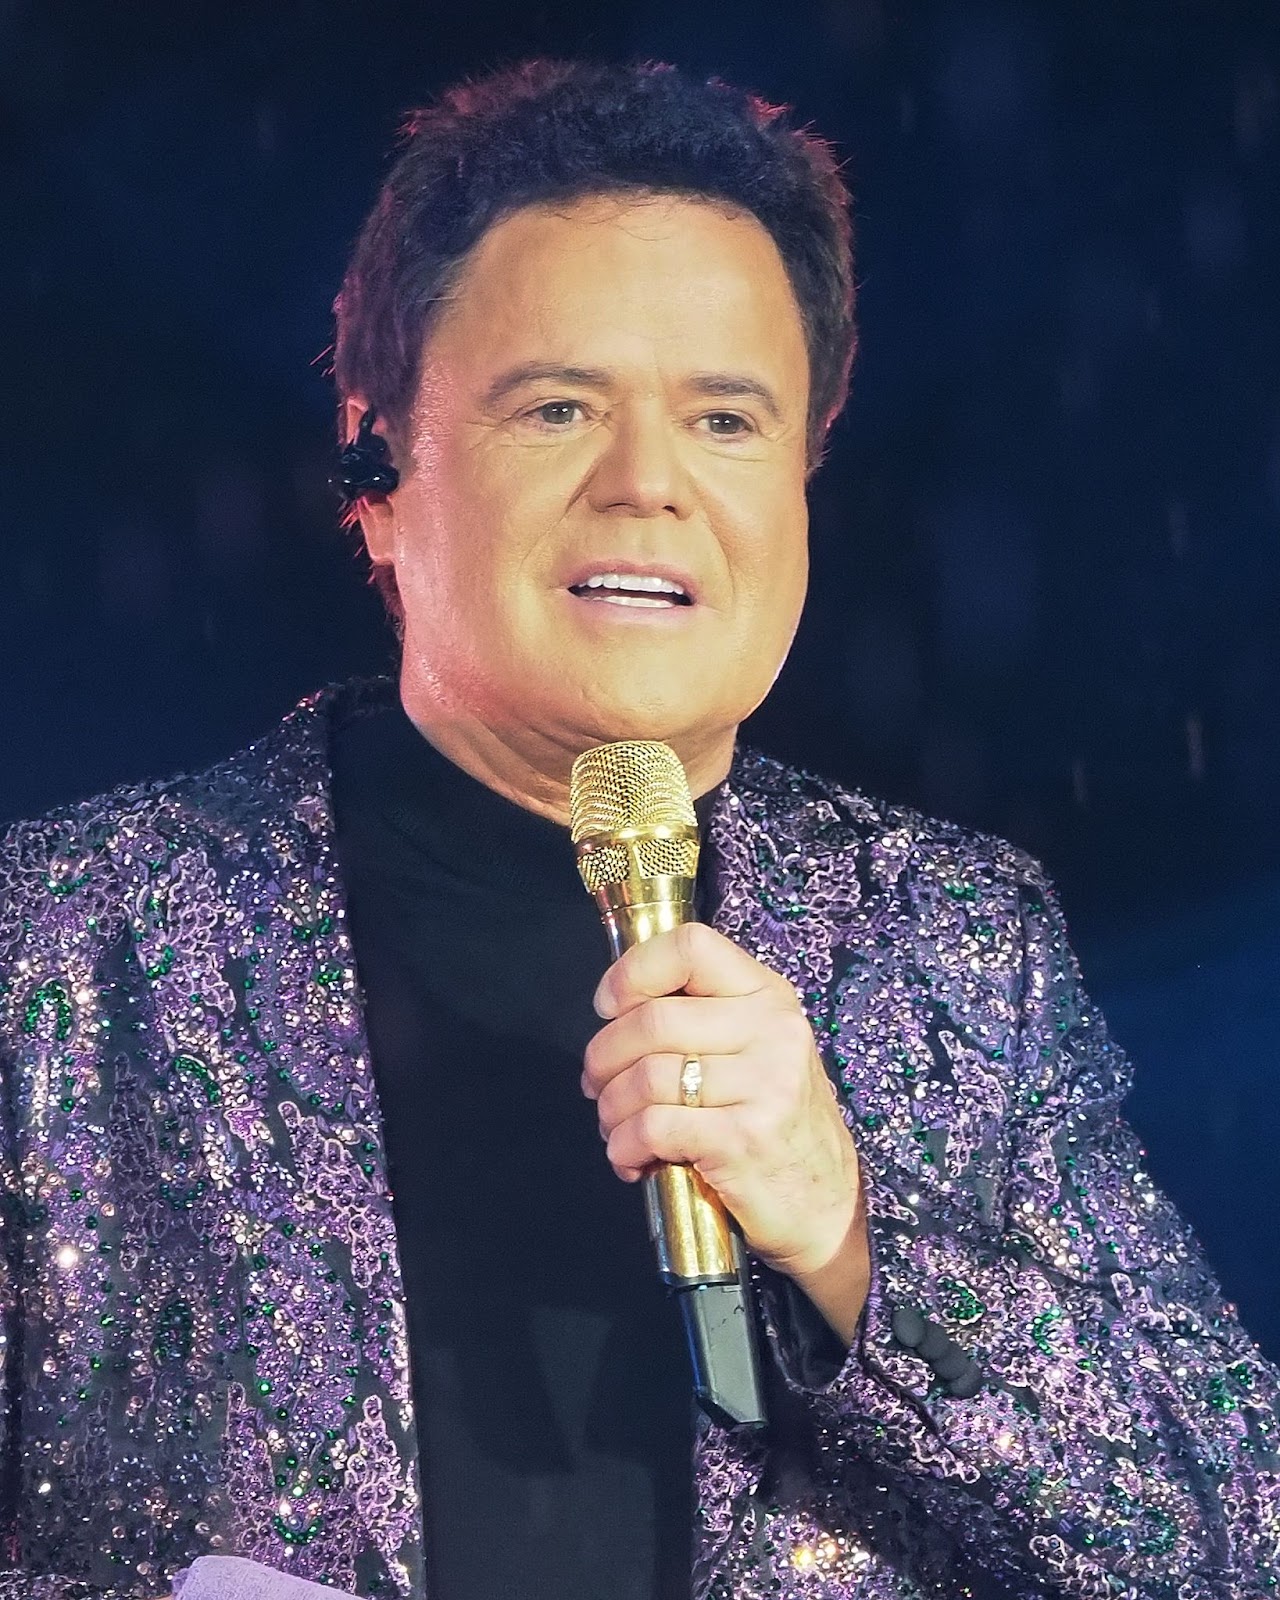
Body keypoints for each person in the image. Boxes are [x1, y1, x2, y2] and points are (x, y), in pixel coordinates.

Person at [1, 58, 1277, 1600]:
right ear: (380, 470)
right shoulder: (70, 942)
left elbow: (1222, 1540)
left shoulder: (954, 942)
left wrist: (853, 1233)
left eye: (727, 421)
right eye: (559, 406)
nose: (649, 486)